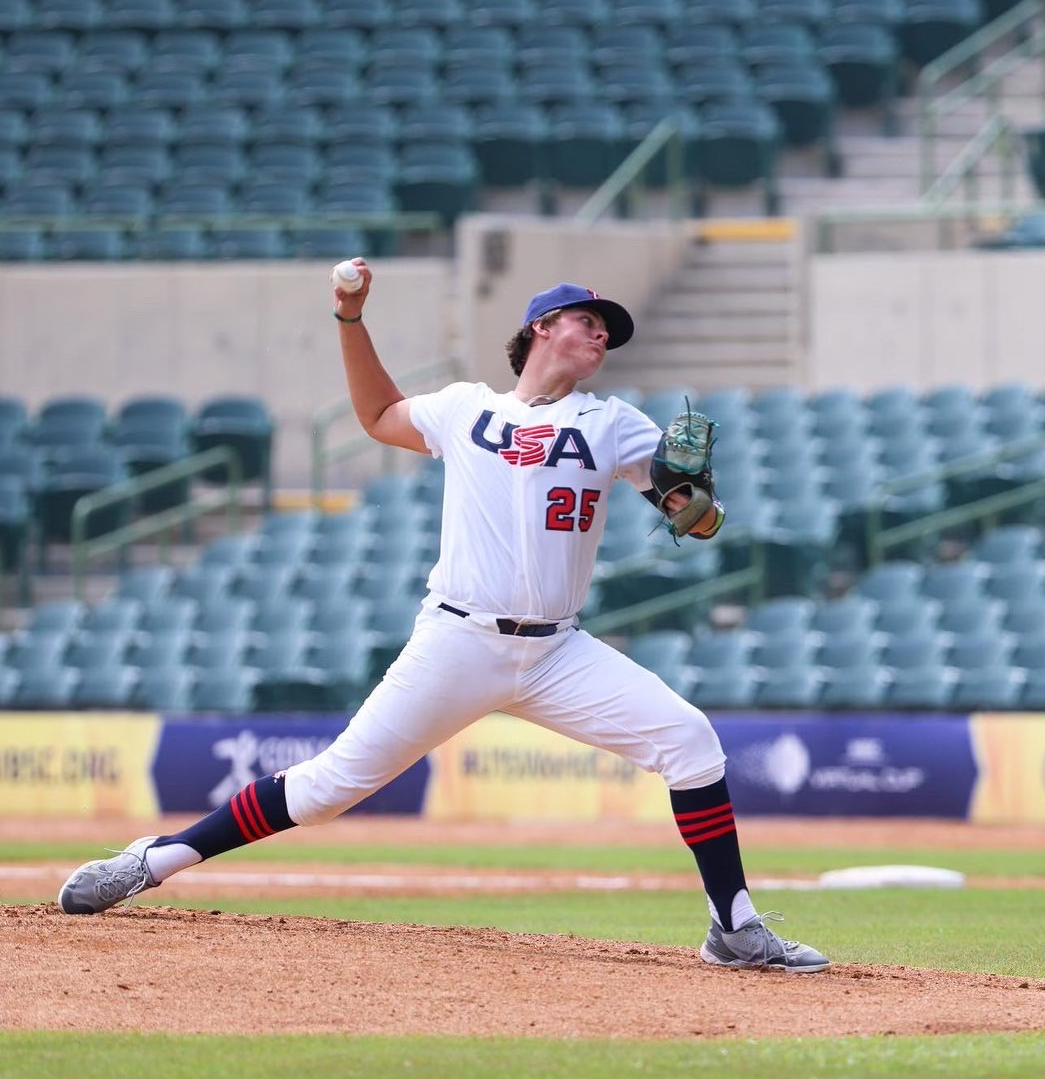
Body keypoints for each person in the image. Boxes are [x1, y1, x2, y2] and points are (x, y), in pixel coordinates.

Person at [58, 267, 830, 973]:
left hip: (559, 651)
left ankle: (732, 927)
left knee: (689, 739)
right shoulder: (467, 409)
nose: (602, 336)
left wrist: (693, 503)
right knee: (328, 790)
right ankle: (150, 862)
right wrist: (350, 317)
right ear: (542, 326)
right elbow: (378, 414)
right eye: (590, 321)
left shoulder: (613, 422)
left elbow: (700, 518)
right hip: (460, 639)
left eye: (607, 331)